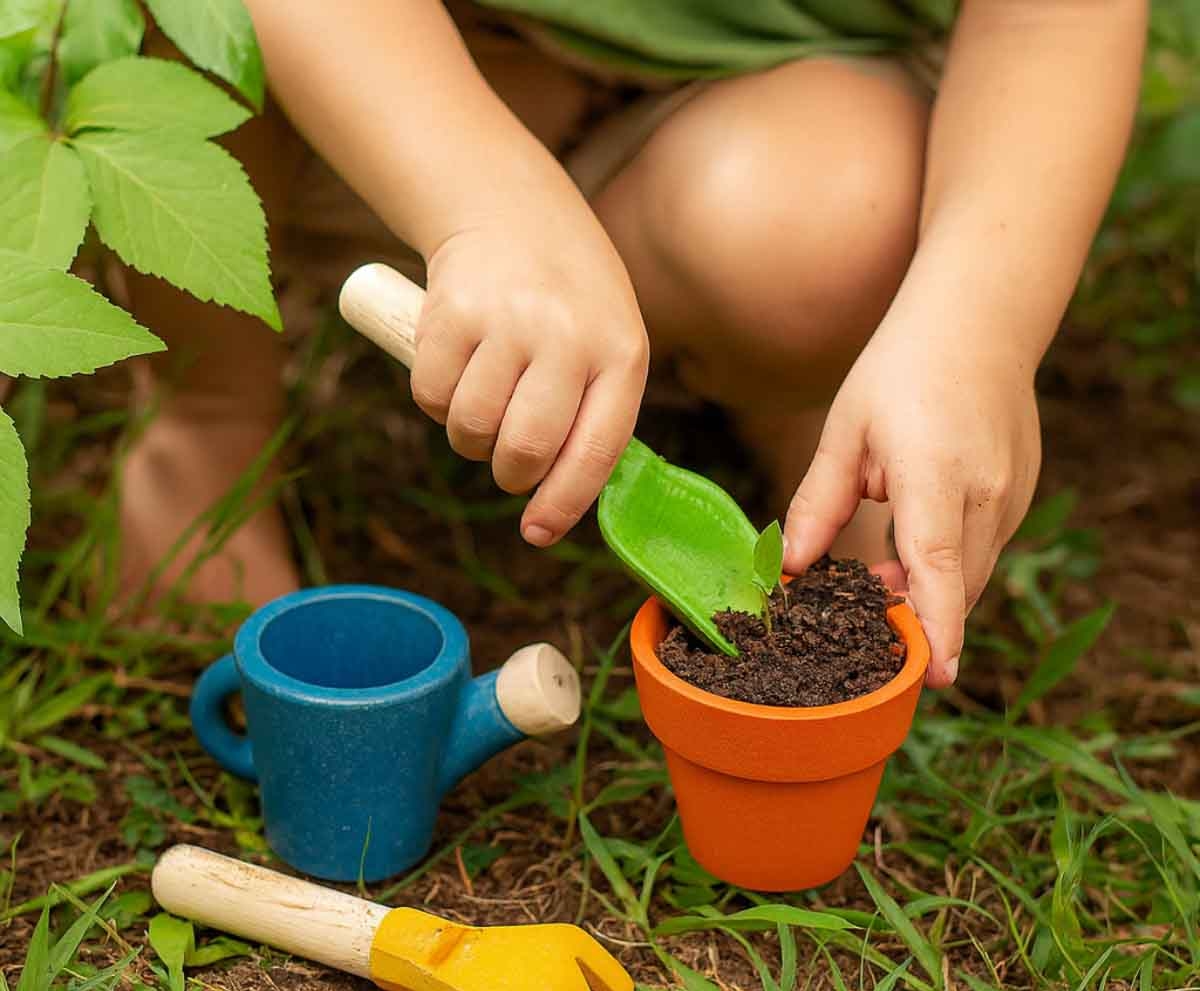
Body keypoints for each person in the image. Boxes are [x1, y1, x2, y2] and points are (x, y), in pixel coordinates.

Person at [120, 0, 1147, 687]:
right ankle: (207, 422)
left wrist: (974, 333)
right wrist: (485, 205)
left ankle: (804, 391)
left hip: (748, 101)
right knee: (192, 32)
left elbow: (1052, 21)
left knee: (831, 230)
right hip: (374, 90)